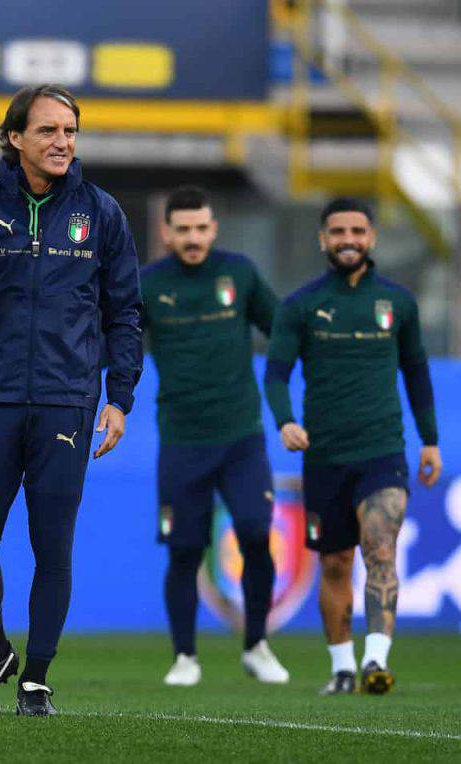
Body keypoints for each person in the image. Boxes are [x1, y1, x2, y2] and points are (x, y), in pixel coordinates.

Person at [0, 84, 142, 716]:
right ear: (14, 138)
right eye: (47, 131)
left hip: (69, 403)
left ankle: (36, 677)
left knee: (52, 546)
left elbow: (126, 314)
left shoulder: (101, 214)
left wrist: (118, 397)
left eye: (70, 131)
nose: (62, 142)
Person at [264, 197, 441, 696]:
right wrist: (285, 422)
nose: (348, 239)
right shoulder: (300, 306)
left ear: (372, 238)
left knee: (380, 545)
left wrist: (431, 441)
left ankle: (375, 663)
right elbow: (276, 374)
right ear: (323, 239)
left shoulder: (399, 304)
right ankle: (342, 668)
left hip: (383, 451)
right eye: (338, 231)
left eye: (358, 231)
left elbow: (417, 372)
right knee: (335, 561)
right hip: (324, 456)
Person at [140, 186, 288, 687]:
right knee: (184, 550)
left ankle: (257, 645)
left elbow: (284, 332)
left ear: (214, 228)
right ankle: (185, 657)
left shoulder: (239, 273)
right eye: (182, 229)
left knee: (254, 533)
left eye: (201, 228)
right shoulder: (147, 285)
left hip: (242, 438)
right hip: (181, 439)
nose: (193, 238)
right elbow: (115, 344)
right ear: (166, 233)